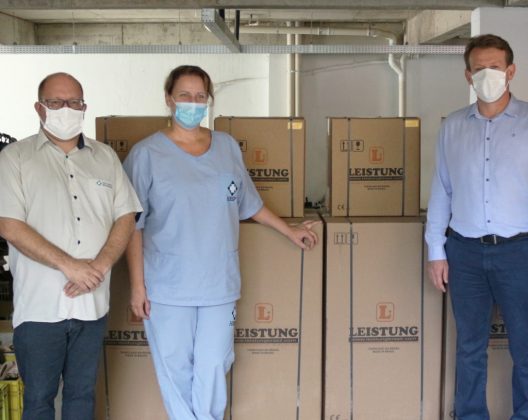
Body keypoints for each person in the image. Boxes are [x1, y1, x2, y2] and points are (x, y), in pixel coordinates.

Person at [123, 65, 319, 419]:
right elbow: (132, 225)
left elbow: (249, 203)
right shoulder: (146, 154)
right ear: (169, 99)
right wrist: (138, 287)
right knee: (175, 368)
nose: (193, 102)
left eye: (200, 96)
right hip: (168, 285)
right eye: (184, 95)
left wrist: (289, 230)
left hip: (218, 282)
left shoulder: (226, 147)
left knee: (214, 363)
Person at [425, 34, 528, 419]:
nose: (487, 74)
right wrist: (436, 250)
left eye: (495, 67)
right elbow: (442, 190)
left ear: (511, 71)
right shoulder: (453, 126)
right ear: (467, 75)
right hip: (465, 251)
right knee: (469, 348)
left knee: (527, 350)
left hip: (523, 251)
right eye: (479, 68)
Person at [0, 72, 142, 419]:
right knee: (38, 399)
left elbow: (126, 217)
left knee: (81, 396)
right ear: (39, 108)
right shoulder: (15, 158)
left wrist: (99, 266)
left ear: (84, 107)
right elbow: (9, 225)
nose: (66, 108)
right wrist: (70, 266)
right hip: (40, 308)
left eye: (74, 102)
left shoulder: (105, 157)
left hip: (92, 306)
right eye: (55, 102)